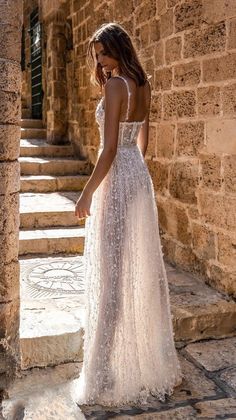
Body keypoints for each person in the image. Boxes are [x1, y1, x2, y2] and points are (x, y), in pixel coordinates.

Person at [71, 22, 183, 407]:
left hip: (118, 178)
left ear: (119, 47)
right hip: (138, 177)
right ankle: (133, 361)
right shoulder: (143, 83)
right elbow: (142, 143)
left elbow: (110, 150)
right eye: (96, 55)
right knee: (133, 269)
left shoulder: (117, 85)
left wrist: (87, 193)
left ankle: (102, 374)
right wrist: (136, 176)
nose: (100, 61)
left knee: (111, 277)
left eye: (103, 52)